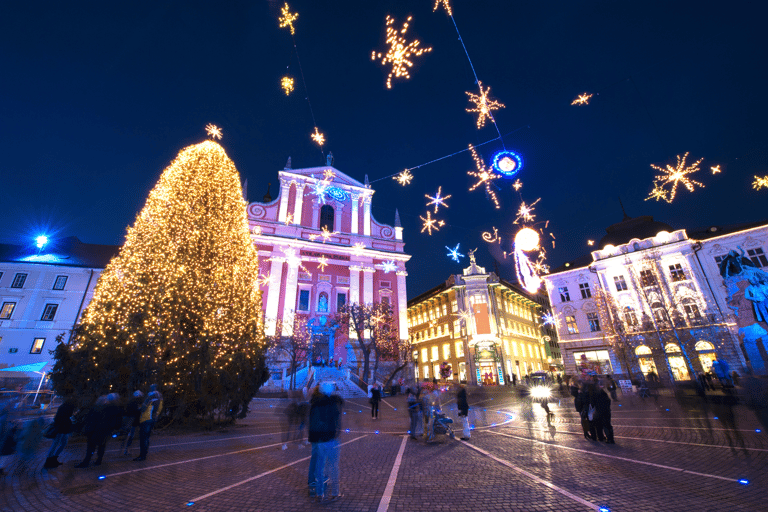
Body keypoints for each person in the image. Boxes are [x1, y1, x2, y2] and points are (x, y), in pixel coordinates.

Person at [308, 382, 343, 503]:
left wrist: (313, 437)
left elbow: (312, 421)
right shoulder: (332, 403)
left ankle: (320, 493)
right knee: (333, 466)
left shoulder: (314, 403)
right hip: (330, 438)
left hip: (318, 439)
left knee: (320, 466)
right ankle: (335, 492)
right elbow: (336, 420)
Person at [76, 394, 122, 468]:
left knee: (91, 447)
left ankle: (87, 461)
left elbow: (89, 419)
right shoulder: (108, 409)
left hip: (94, 431)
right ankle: (99, 460)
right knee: (101, 446)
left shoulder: (95, 408)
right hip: (104, 431)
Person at [43, 399, 75, 468]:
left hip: (63, 429)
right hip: (61, 429)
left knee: (60, 444)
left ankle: (53, 459)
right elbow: (59, 418)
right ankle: (49, 461)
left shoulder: (64, 407)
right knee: (57, 444)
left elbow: (57, 418)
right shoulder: (66, 408)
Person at [134, 387, 163, 462]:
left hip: (145, 419)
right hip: (152, 420)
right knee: (146, 438)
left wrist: (140, 408)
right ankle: (144, 454)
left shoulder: (150, 399)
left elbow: (143, 409)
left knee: (143, 439)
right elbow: (158, 411)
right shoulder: (160, 400)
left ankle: (142, 455)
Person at [122, 391, 144, 456]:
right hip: (132, 421)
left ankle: (126, 450)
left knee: (130, 435)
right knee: (130, 436)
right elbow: (135, 412)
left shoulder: (131, 401)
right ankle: (126, 450)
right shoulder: (135, 402)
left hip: (131, 421)